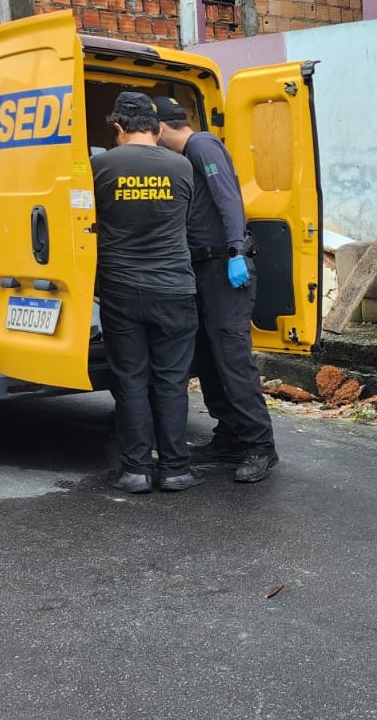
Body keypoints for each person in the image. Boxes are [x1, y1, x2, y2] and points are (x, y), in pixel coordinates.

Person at [153, 95, 279, 484]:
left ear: (159, 129)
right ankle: (229, 436)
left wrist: (236, 250)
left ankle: (260, 446)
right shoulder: (187, 156)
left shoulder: (202, 145)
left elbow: (228, 198)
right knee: (208, 356)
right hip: (202, 268)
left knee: (231, 356)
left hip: (224, 268)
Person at [92, 91, 202, 494]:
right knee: (171, 382)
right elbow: (185, 220)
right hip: (174, 288)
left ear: (119, 128)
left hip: (121, 292)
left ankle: (135, 470)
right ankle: (175, 469)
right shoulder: (182, 167)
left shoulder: (99, 165)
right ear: (156, 129)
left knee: (131, 380)